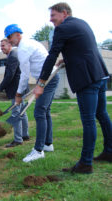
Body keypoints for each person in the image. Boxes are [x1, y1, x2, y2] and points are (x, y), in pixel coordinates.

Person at [35, 2, 112, 173]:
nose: (50, 20)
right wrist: (67, 59)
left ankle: (85, 164)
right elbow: (82, 49)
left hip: (87, 79)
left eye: (53, 15)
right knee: (102, 114)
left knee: (89, 120)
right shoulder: (81, 23)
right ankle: (109, 152)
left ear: (64, 13)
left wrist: (40, 83)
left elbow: (52, 55)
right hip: (100, 74)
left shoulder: (62, 29)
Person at [4, 24, 60, 162]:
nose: (9, 40)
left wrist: (18, 95)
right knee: (45, 111)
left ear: (17, 34)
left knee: (39, 112)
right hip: (48, 78)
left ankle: (38, 150)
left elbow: (24, 74)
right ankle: (48, 144)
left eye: (10, 37)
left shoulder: (23, 49)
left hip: (48, 79)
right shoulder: (31, 43)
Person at [0, 39, 30, 147]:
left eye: (3, 45)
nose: (1, 48)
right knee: (22, 112)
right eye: (0, 46)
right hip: (20, 88)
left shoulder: (13, 56)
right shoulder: (14, 54)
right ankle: (25, 135)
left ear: (10, 45)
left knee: (16, 114)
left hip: (17, 90)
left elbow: (10, 76)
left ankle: (18, 140)